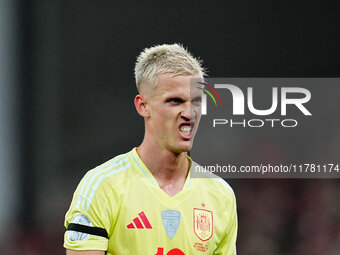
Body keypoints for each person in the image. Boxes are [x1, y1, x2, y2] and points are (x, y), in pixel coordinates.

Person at [64, 43, 237, 255]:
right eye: (175, 101)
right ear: (143, 106)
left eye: (197, 101)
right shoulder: (102, 187)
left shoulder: (220, 195)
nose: (189, 113)